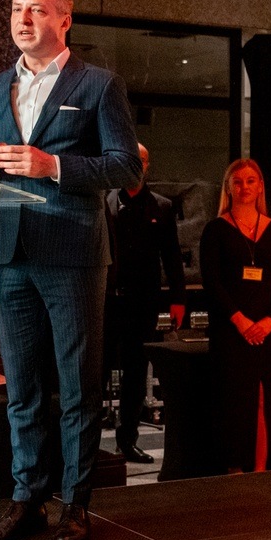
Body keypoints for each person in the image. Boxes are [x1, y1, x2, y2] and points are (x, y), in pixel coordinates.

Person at [0, 0, 142, 540]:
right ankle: (28, 498)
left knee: (77, 385)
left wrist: (54, 167)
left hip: (71, 253)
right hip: (10, 252)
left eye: (36, 10)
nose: (23, 19)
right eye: (17, 9)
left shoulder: (98, 85)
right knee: (22, 388)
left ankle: (76, 503)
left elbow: (125, 166)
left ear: (64, 20)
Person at [200, 158, 271, 474]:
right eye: (237, 182)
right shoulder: (215, 230)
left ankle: (261, 470)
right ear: (228, 188)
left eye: (251, 181)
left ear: (260, 186)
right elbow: (212, 283)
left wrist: (269, 320)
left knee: (265, 401)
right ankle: (234, 471)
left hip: (267, 331)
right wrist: (240, 321)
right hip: (231, 332)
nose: (244, 187)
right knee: (234, 403)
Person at [104, 143, 187, 463]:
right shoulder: (105, 201)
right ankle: (90, 444)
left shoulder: (162, 207)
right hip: (108, 302)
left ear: (147, 165)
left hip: (143, 304)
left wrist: (178, 298)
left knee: (136, 375)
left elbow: (172, 257)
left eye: (140, 160)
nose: (135, 165)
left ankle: (128, 441)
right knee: (98, 372)